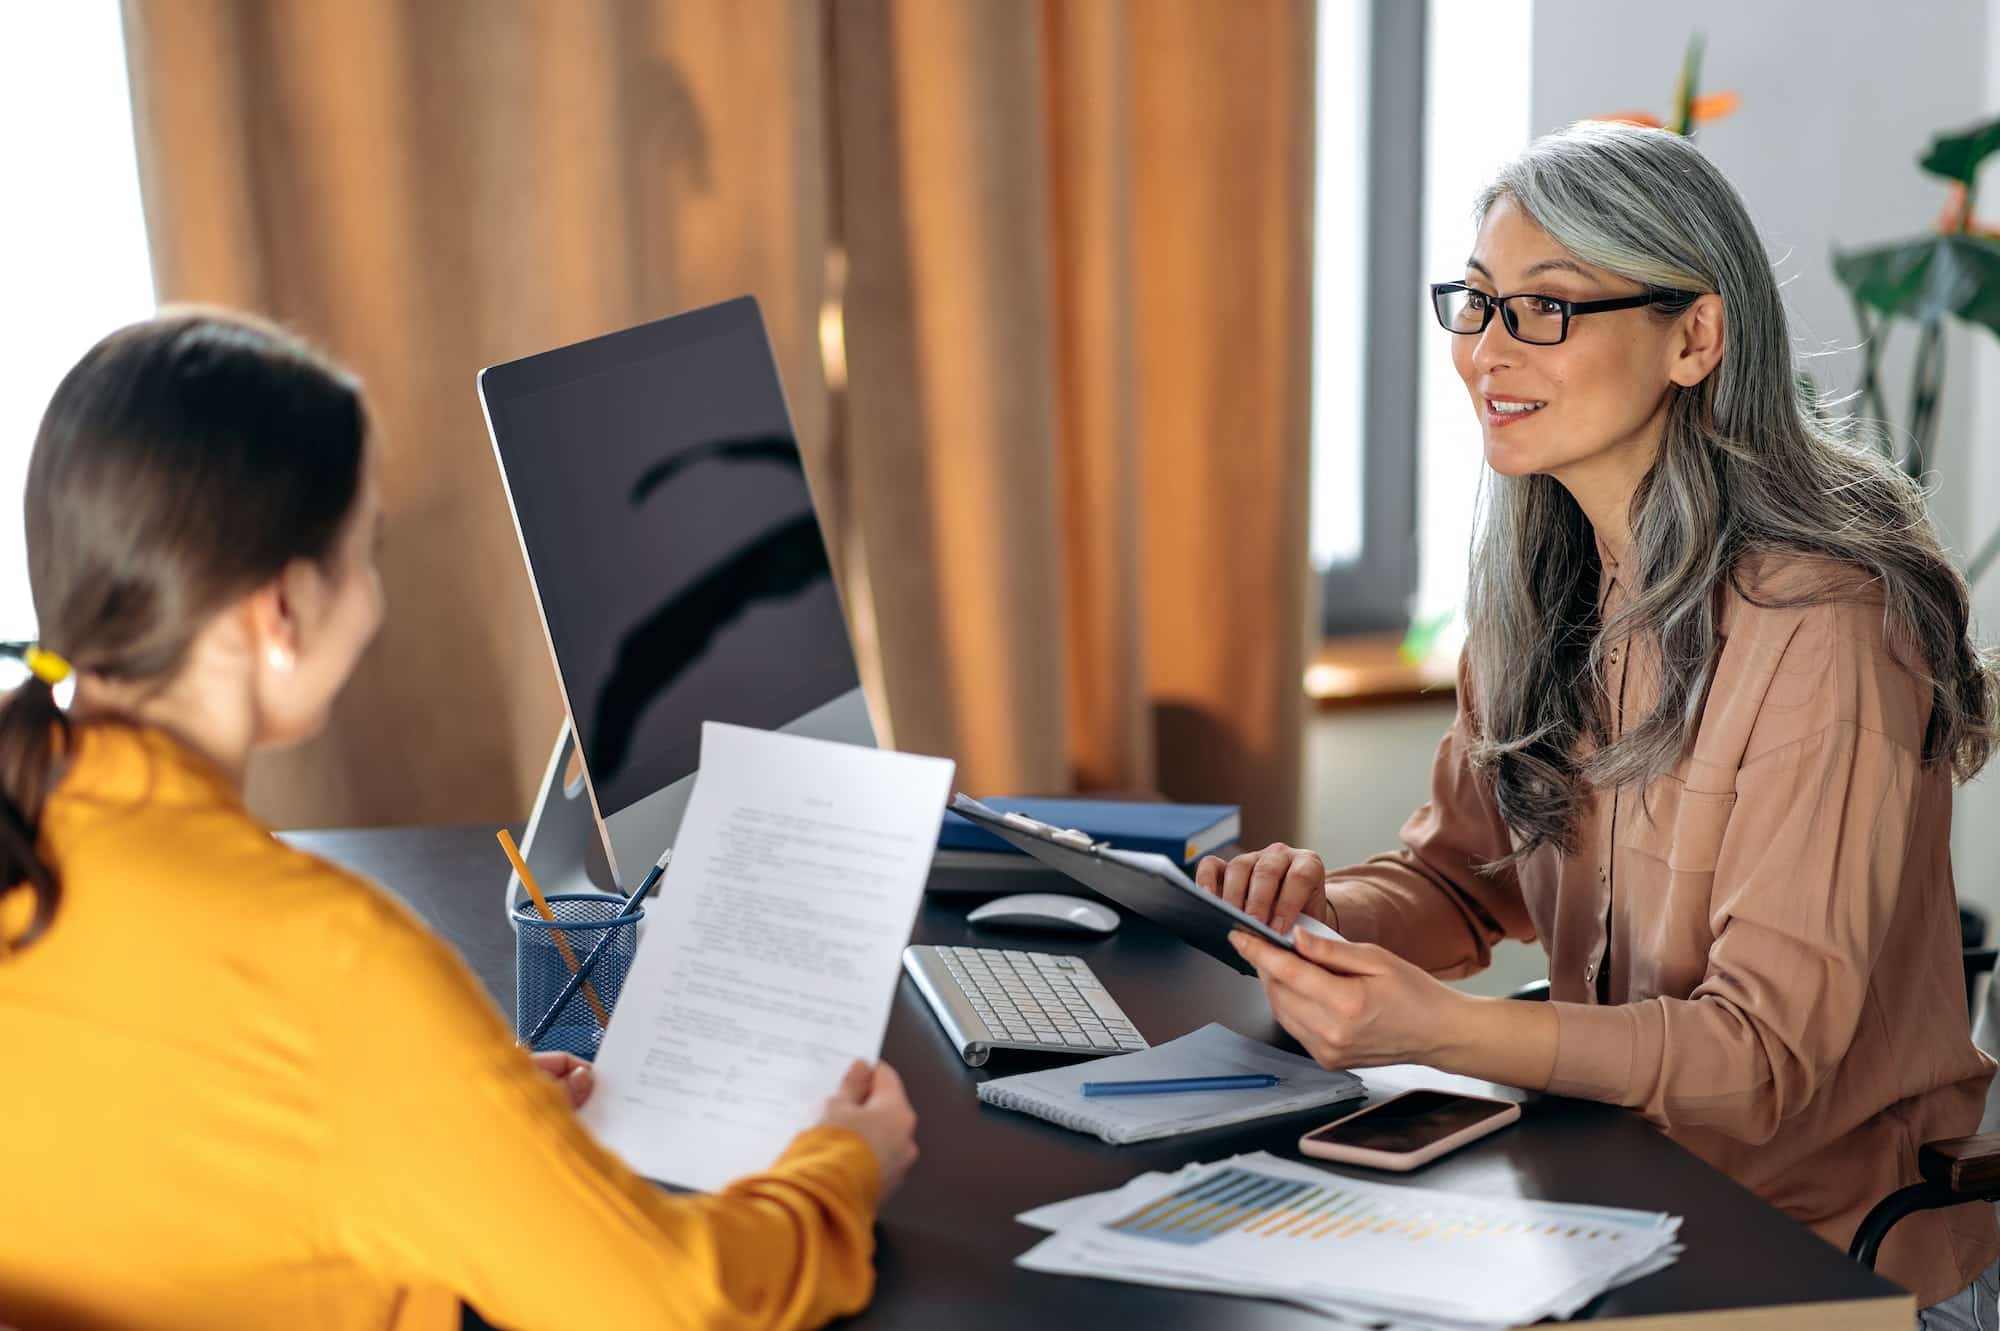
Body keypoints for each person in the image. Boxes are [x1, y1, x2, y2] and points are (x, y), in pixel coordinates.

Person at [1197, 121, 2000, 1324]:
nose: (1484, 351)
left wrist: (1451, 1033)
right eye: (1472, 304)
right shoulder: (1539, 592)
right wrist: (1313, 919)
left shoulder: (1825, 629)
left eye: (1545, 308)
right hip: (1608, 1200)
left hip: (1824, 1259)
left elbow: (1760, 1061)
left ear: (1693, 336)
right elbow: (1462, 880)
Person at [0, 311, 918, 1331]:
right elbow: (674, 1301)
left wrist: (450, 1102)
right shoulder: (333, 965)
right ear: (283, 610)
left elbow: (153, 1134)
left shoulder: (34, 848)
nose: (377, 593)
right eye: (366, 551)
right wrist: (841, 1168)